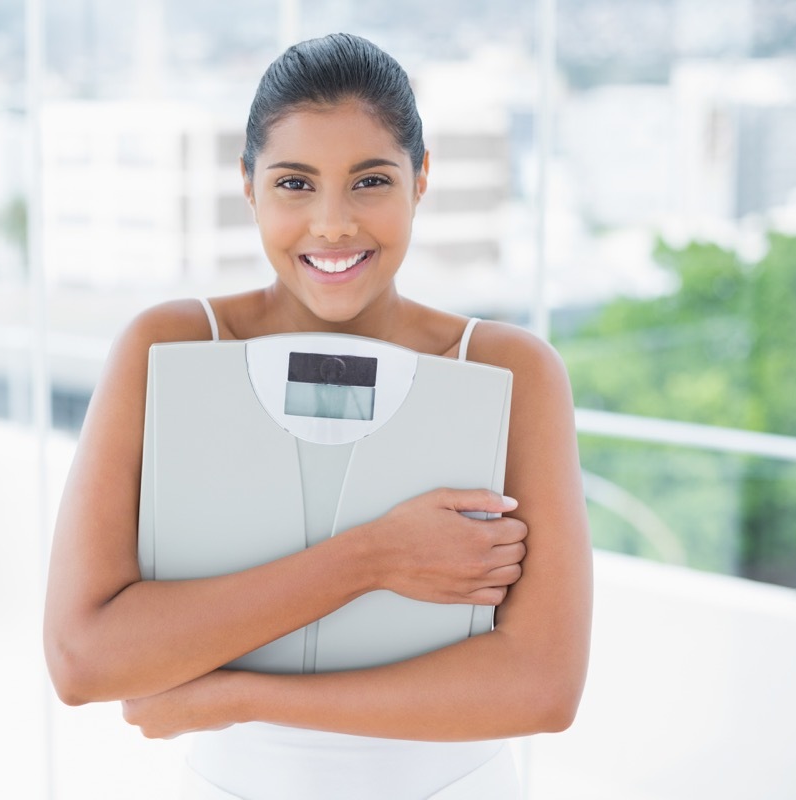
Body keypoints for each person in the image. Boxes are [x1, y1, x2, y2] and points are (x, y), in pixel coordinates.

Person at [43, 32, 592, 799]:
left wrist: (238, 695)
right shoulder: (166, 349)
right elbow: (82, 659)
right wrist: (374, 557)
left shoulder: (510, 371)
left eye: (370, 181)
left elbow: (542, 687)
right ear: (248, 185)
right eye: (295, 183)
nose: (332, 224)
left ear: (421, 178)